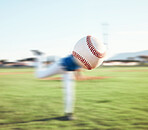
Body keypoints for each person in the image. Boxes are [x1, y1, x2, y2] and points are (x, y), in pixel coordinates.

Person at [31, 50, 81, 120]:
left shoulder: (91, 55)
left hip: (69, 70)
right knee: (39, 75)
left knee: (69, 92)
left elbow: (78, 65)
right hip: (61, 65)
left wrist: (77, 73)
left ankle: (68, 114)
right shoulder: (84, 49)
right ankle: (40, 56)